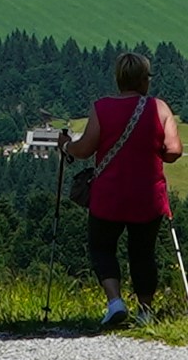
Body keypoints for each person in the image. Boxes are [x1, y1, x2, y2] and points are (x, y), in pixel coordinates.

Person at [76, 51, 181, 324]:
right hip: (147, 195)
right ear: (144, 79)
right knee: (143, 253)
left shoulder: (101, 108)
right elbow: (174, 151)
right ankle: (145, 311)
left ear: (119, 79)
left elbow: (84, 149)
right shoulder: (160, 109)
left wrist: (66, 146)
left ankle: (115, 302)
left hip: (108, 195)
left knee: (102, 247)